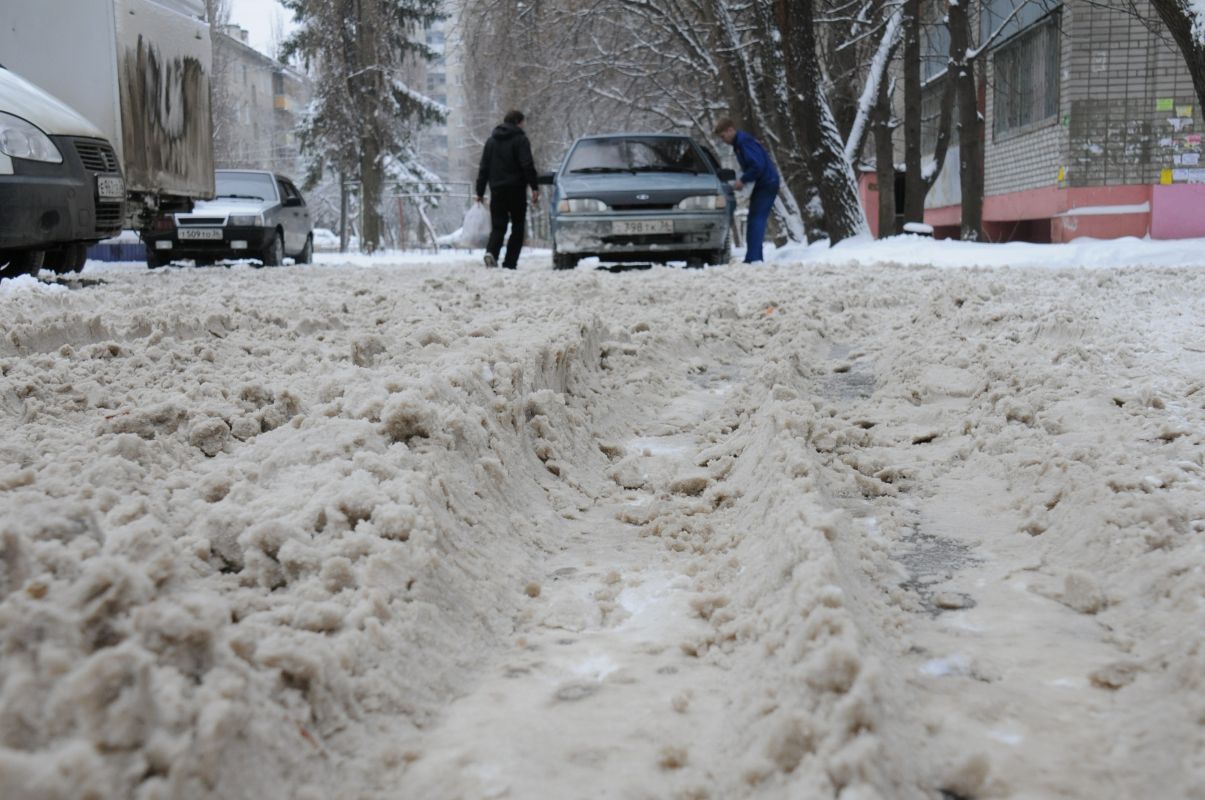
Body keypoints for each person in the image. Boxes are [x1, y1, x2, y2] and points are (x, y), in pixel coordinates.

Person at [475, 110, 540, 270]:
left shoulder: (491, 141)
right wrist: (534, 186)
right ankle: (510, 263)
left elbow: (483, 167)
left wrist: (480, 192)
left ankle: (491, 252)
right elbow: (527, 164)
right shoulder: (521, 140)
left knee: (498, 226)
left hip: (497, 190)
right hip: (516, 190)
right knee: (518, 227)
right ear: (518, 122)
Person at [714, 118, 780, 264]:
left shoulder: (744, 142)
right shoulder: (740, 143)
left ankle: (755, 258)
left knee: (757, 219)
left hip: (766, 183)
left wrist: (743, 180)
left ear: (731, 130)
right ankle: (752, 257)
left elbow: (757, 165)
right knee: (754, 218)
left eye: (723, 136)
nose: (723, 140)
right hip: (764, 182)